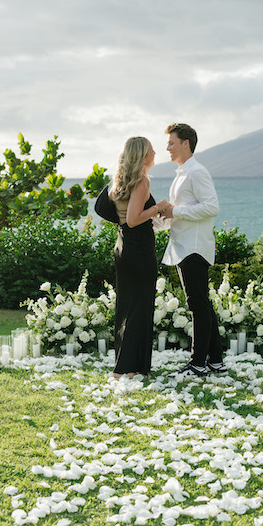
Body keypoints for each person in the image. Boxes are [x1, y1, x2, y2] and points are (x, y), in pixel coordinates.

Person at [158, 123, 226, 377]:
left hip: (194, 248)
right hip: (183, 245)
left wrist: (174, 211)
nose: (167, 147)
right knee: (202, 305)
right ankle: (216, 361)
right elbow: (180, 211)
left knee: (197, 306)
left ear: (186, 143)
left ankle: (197, 364)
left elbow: (212, 207)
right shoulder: (182, 173)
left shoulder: (197, 172)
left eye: (171, 142)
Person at [108, 136, 169, 379]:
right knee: (140, 308)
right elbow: (134, 220)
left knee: (126, 307)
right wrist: (159, 207)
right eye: (152, 151)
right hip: (139, 249)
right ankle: (129, 369)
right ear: (143, 156)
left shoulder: (119, 181)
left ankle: (124, 366)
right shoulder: (141, 181)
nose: (156, 154)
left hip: (123, 246)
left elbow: (118, 214)